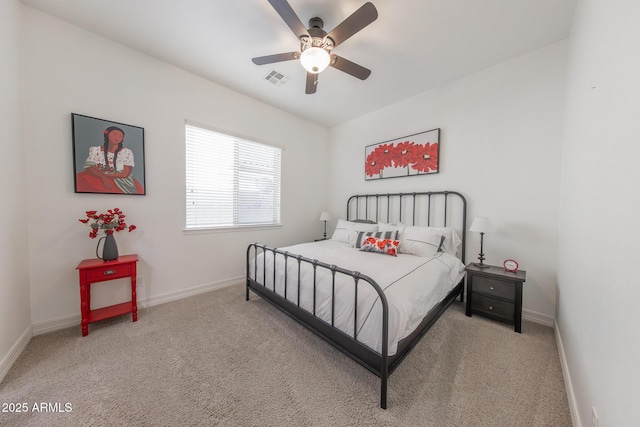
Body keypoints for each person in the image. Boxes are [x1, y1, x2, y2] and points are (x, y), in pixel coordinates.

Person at [75, 126, 144, 194]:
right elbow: (89, 167)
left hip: (121, 180)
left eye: (120, 136)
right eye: (114, 134)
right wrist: (103, 178)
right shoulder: (95, 150)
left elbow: (125, 173)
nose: (117, 137)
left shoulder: (127, 152)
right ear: (107, 134)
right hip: (97, 176)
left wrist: (106, 176)